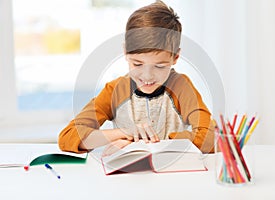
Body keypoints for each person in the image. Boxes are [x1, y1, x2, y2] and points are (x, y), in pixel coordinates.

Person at [58, 0, 214, 155]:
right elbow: (68, 137)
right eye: (137, 64)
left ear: (175, 57)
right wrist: (124, 133)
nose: (147, 76)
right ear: (125, 52)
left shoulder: (181, 86)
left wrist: (157, 141)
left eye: (159, 66)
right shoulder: (115, 90)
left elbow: (210, 138)